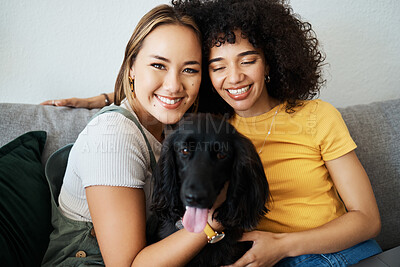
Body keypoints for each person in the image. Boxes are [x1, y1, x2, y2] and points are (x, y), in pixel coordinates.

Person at [42, 0, 382, 266]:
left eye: (248, 60)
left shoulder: (316, 117)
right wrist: (107, 101)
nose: (233, 77)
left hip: (329, 254)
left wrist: (280, 246)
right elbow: (158, 95)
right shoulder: (213, 125)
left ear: (272, 62)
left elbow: (366, 218)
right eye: (217, 66)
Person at [41, 4, 224, 267]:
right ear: (131, 67)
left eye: (189, 70)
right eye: (158, 65)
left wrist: (106, 97)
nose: (174, 85)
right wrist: (216, 218)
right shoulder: (113, 136)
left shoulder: (173, 124)